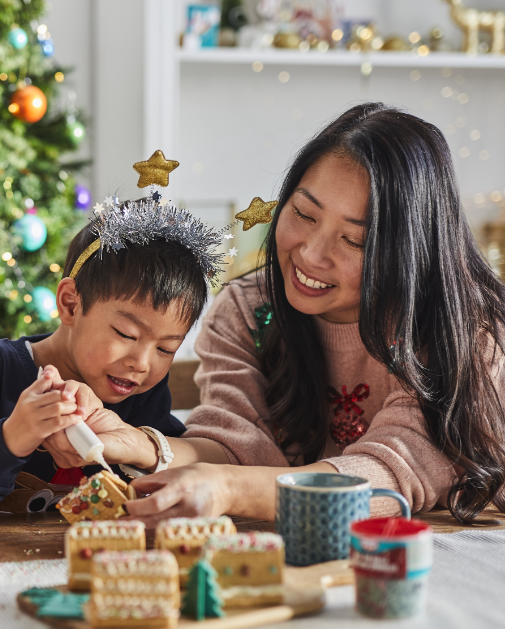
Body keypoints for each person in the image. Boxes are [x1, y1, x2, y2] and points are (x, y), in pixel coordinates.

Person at [123, 103, 505, 527]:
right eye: (304, 214)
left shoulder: (461, 327)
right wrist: (143, 446)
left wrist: (227, 487)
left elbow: (393, 473)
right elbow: (235, 441)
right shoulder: (249, 309)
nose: (310, 254)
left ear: (408, 251)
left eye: (354, 240)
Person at [0, 194, 226, 521]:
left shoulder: (142, 392)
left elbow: (176, 469)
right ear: (71, 303)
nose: (142, 363)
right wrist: (10, 439)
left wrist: (143, 454)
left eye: (165, 349)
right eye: (126, 335)